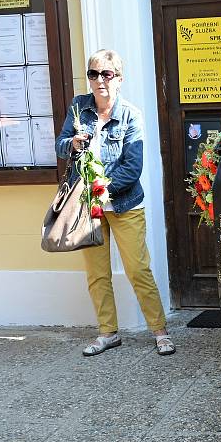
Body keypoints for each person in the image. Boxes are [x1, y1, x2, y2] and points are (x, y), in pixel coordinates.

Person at [55, 49, 173, 357]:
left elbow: (133, 168)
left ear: (118, 79)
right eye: (93, 74)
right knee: (97, 274)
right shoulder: (79, 107)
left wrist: (102, 189)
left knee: (138, 270)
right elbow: (60, 145)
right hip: (88, 209)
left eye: (106, 74)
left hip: (124, 205)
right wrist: (73, 143)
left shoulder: (130, 115)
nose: (99, 80)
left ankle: (159, 331)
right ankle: (108, 333)